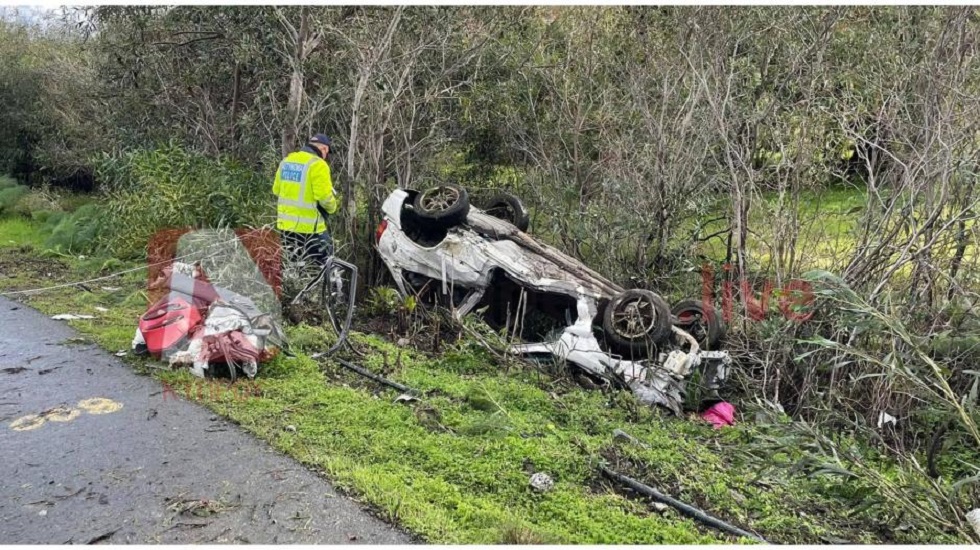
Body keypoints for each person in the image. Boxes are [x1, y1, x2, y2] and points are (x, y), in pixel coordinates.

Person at [272, 133, 340, 268]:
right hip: (311, 230)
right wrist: (333, 208)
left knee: (295, 266)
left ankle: (298, 289)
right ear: (324, 149)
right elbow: (325, 198)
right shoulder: (318, 165)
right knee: (328, 266)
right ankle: (330, 288)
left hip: (286, 228)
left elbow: (276, 190)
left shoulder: (286, 161)